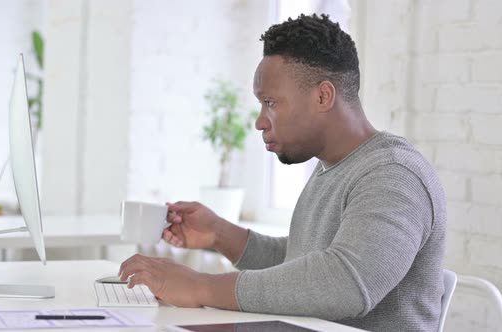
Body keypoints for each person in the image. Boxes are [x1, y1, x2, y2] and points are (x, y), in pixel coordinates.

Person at [119, 13, 446, 331]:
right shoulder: (332, 168)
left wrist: (200, 286)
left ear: (323, 96)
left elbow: (344, 284)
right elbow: (300, 265)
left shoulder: (393, 175)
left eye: (271, 103)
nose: (260, 121)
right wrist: (219, 233)